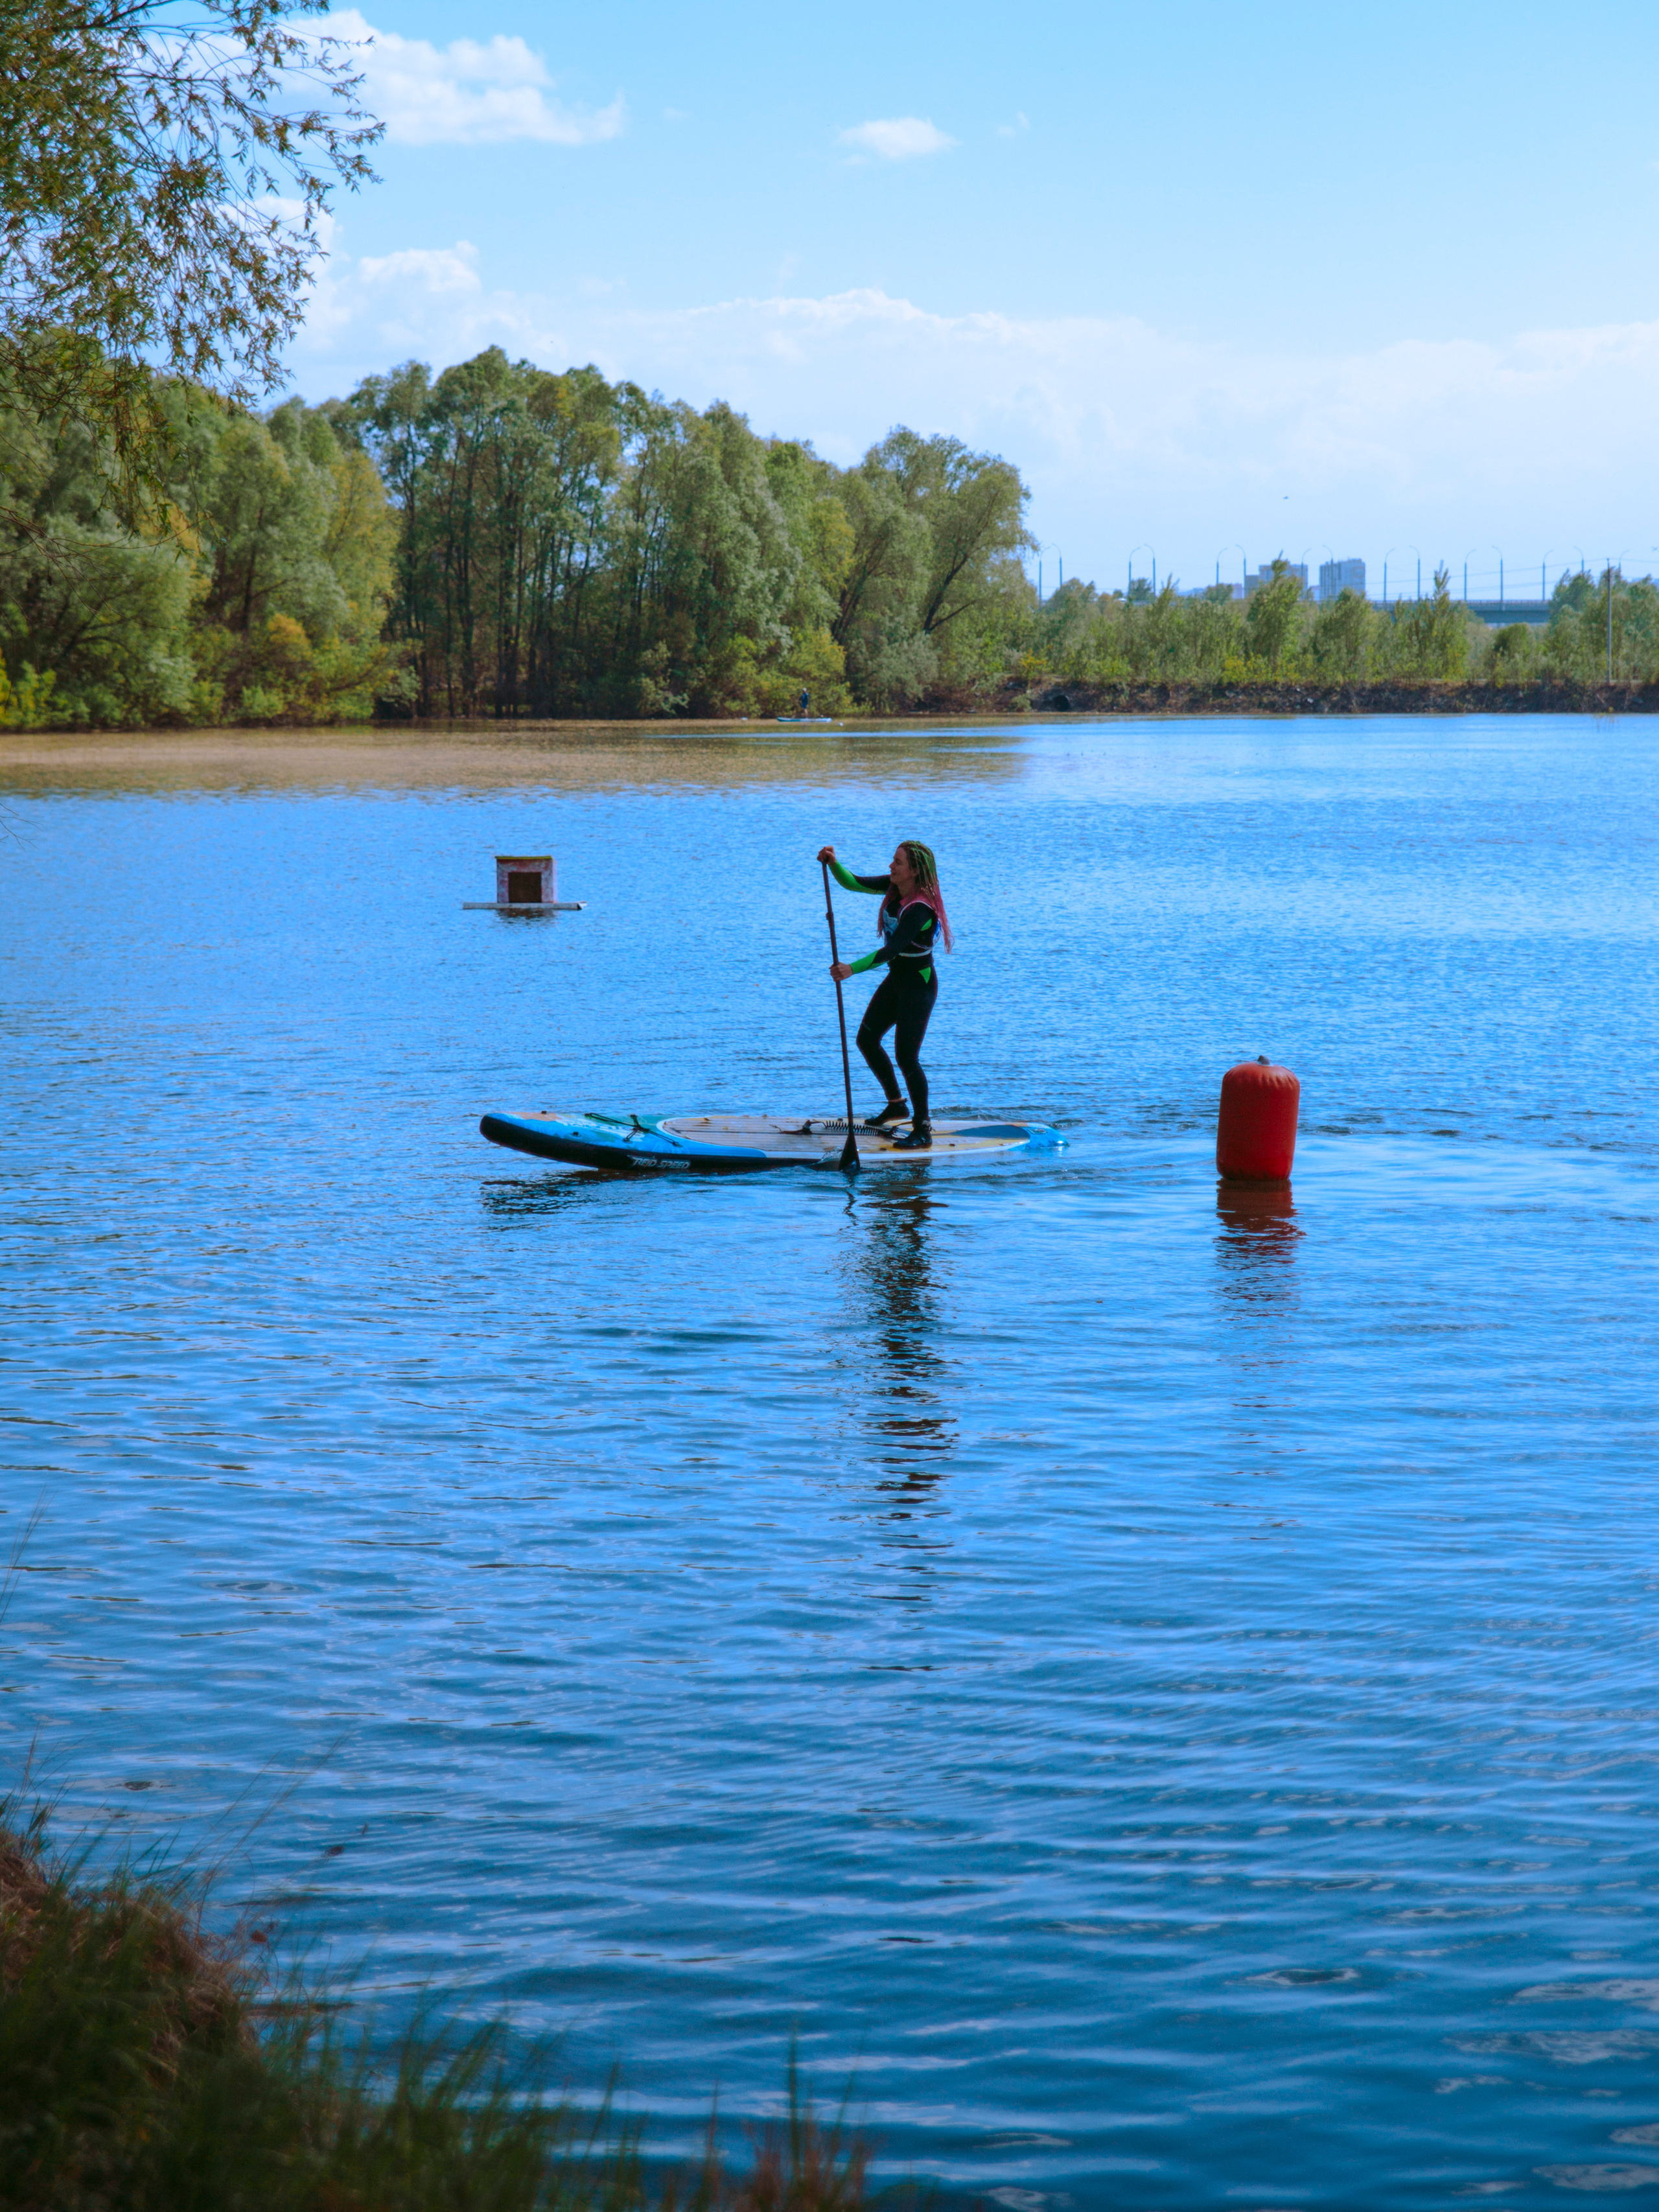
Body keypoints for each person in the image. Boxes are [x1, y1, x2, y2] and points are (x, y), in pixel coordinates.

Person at [817, 839, 953, 1150]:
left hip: (919, 985)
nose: (891, 866)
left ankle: (923, 1129)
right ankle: (896, 1104)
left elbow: (893, 949)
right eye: (893, 860)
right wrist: (834, 863)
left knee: (907, 1056)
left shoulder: (920, 908)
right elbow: (854, 884)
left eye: (898, 862)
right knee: (866, 1039)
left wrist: (851, 968)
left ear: (915, 871)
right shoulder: (895, 887)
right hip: (897, 980)